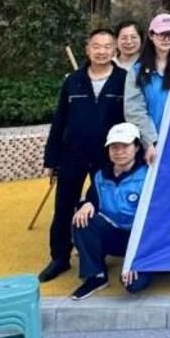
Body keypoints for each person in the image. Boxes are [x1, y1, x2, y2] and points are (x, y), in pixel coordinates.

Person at [39, 28, 127, 283]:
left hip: (107, 157)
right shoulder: (73, 81)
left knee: (101, 205)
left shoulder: (124, 80)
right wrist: (51, 159)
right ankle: (59, 257)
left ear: (115, 50)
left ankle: (96, 253)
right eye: (96, 46)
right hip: (72, 154)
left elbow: (131, 118)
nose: (102, 51)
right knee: (63, 207)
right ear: (88, 50)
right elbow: (59, 121)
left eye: (107, 46)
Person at [69, 122, 152, 300]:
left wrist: (136, 259)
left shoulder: (148, 175)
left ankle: (148, 265)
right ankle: (96, 276)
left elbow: (154, 220)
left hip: (140, 239)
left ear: (137, 147)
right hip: (113, 235)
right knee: (82, 219)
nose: (119, 152)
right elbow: (92, 198)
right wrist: (87, 203)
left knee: (134, 285)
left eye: (125, 146)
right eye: (114, 147)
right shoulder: (101, 175)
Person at [124, 13, 170, 165]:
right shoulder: (137, 71)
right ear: (151, 35)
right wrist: (151, 142)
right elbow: (134, 111)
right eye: (161, 34)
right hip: (149, 145)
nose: (166, 39)